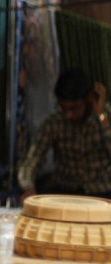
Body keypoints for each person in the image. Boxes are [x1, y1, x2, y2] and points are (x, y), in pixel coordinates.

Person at [18, 67, 111, 200]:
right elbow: (31, 161)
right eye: (64, 108)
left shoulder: (106, 118)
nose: (68, 115)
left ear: (89, 98)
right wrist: (29, 188)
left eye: (74, 108)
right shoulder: (54, 122)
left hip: (102, 192)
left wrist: (101, 117)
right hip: (66, 192)